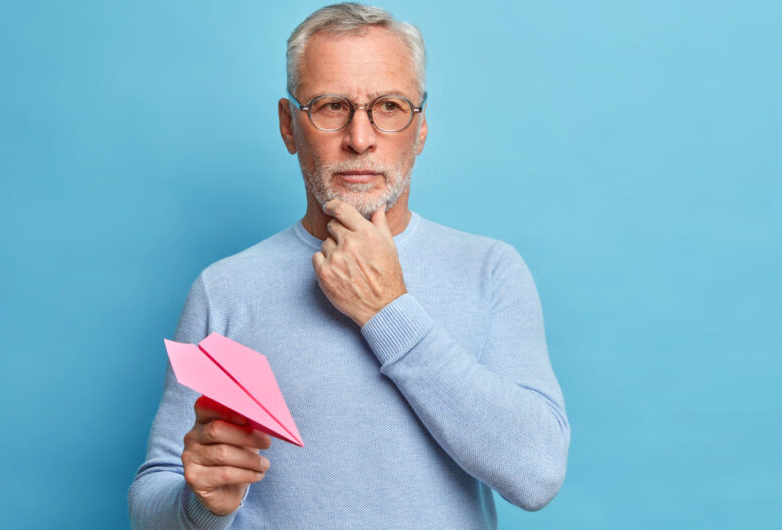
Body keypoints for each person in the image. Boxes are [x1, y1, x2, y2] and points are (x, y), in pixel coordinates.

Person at [128, 3, 570, 528]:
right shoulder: (225, 289)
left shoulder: (491, 271)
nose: (360, 138)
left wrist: (386, 309)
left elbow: (538, 473)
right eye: (332, 105)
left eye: (388, 106)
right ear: (289, 126)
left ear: (421, 127)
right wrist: (202, 504)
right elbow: (152, 501)